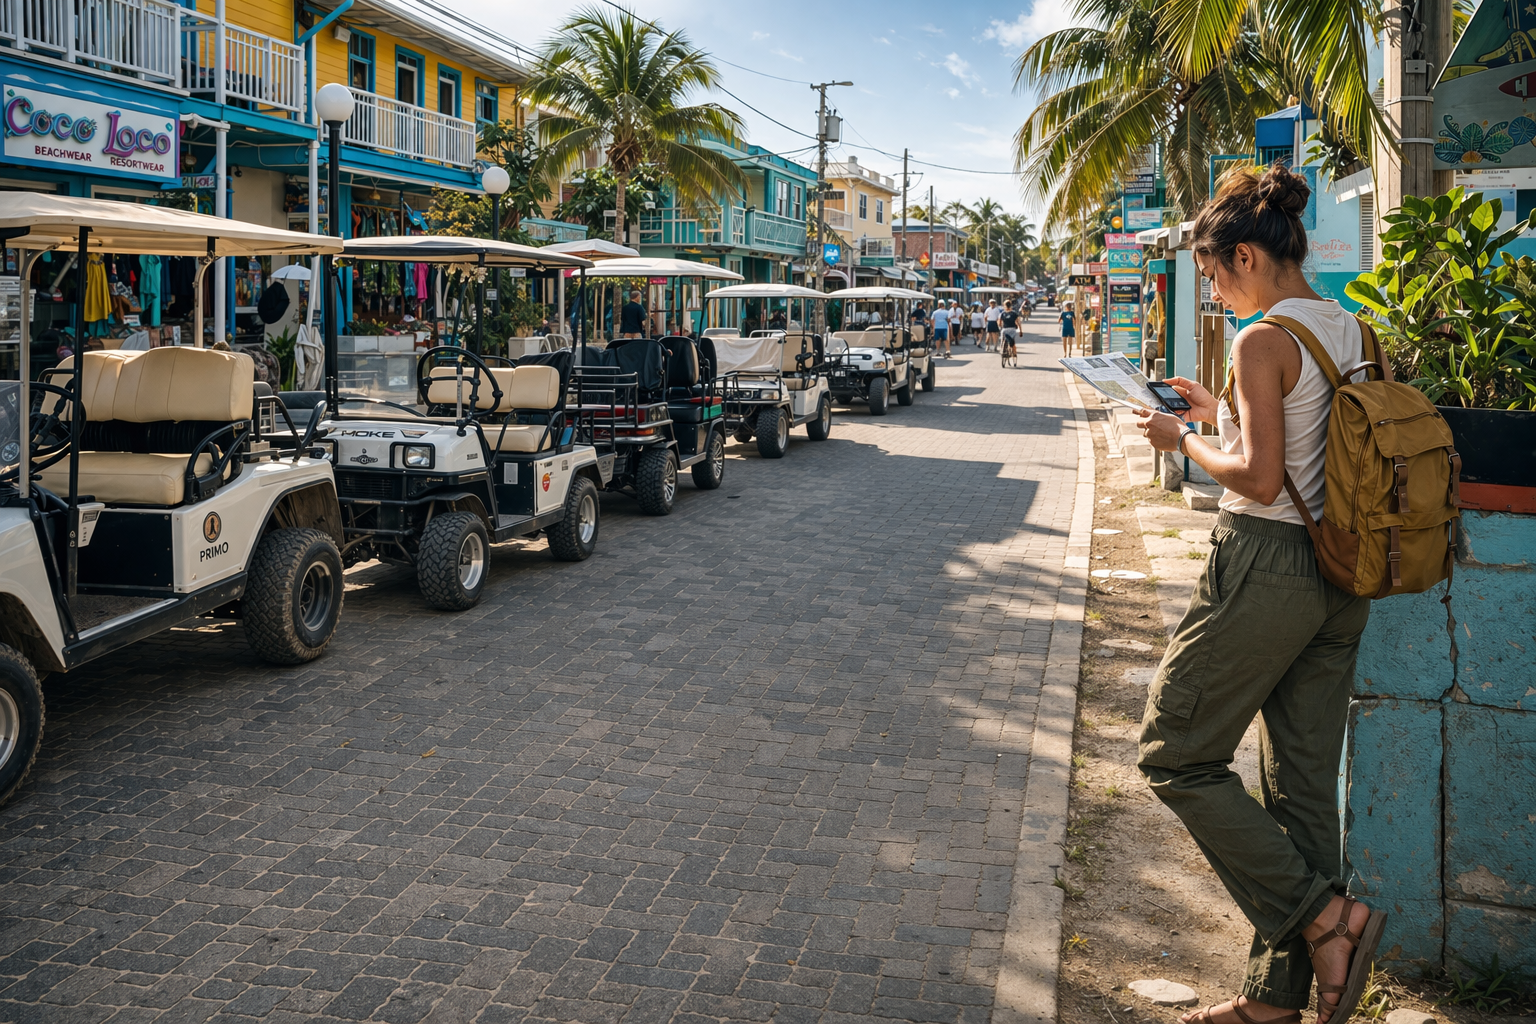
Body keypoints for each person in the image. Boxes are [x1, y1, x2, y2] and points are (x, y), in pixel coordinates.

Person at [1132, 164, 1385, 1024]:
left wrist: (1182, 438)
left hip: (1267, 565)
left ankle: (1327, 917)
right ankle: (1276, 1003)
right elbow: (1314, 446)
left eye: (1212, 272)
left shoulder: (1261, 339)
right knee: (1302, 787)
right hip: (1342, 572)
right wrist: (1222, 414)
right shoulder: (1351, 329)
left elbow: (1262, 478)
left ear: (1244, 254)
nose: (1213, 289)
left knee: (1174, 752)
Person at [999, 300, 1019, 367]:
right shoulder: (1014, 313)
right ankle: (1014, 354)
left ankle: (1002, 350)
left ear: (1004, 306)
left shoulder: (1002, 313)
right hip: (1012, 329)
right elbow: (1018, 322)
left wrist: (1001, 327)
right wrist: (1020, 330)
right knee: (1013, 343)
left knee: (1002, 341)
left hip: (1005, 330)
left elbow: (999, 323)